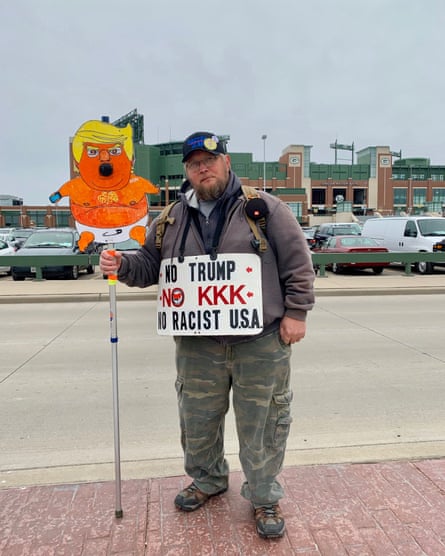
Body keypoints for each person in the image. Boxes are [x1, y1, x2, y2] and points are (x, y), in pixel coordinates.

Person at [100, 131, 315, 539]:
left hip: (260, 339)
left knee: (264, 422)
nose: (203, 168)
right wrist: (121, 264)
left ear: (226, 162)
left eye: (210, 160)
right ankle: (208, 479)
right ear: (187, 170)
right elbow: (149, 266)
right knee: (197, 420)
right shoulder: (169, 219)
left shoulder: (263, 208)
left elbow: (298, 263)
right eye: (195, 163)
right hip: (198, 344)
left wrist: (296, 312)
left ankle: (264, 494)